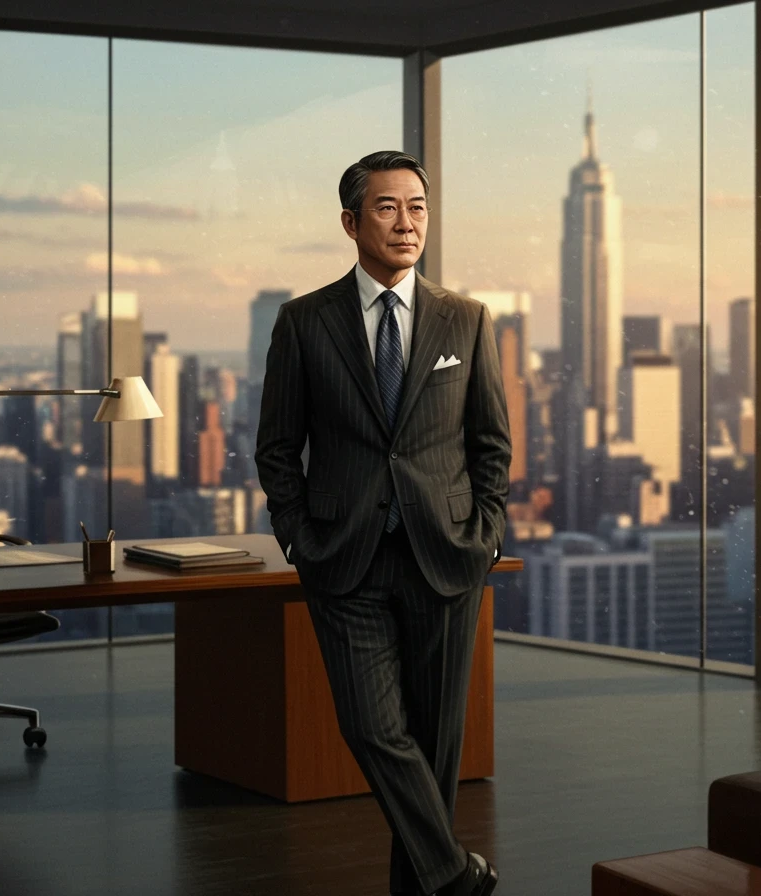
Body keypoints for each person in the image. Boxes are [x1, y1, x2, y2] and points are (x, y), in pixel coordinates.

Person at [255, 150, 510, 896]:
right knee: (371, 727)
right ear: (351, 222)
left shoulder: (466, 319)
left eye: (418, 207)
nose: (407, 222)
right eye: (388, 207)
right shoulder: (304, 323)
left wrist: (485, 533)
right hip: (345, 557)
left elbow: (490, 443)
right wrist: (297, 534)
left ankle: (429, 884)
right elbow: (277, 446)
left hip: (447, 557)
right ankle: (455, 873)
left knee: (434, 747)